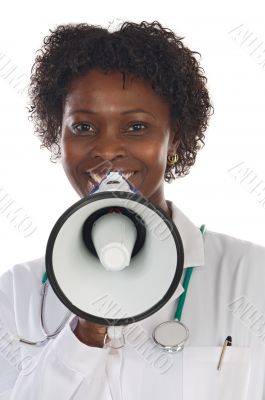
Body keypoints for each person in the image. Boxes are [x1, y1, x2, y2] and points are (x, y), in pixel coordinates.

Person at [0, 20, 264, 400]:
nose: (107, 150)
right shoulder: (17, 291)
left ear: (176, 139)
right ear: (57, 135)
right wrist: (86, 331)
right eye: (84, 127)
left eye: (137, 126)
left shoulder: (253, 276)